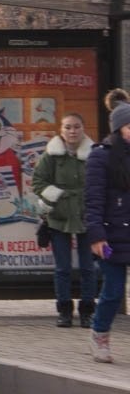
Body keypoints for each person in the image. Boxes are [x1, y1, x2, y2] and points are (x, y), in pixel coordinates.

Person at [32, 113, 96, 327]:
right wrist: (56, 196)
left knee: (89, 267)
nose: (72, 131)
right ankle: (64, 311)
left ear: (83, 129)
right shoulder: (51, 155)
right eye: (68, 127)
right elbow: (38, 181)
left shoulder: (94, 154)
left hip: (87, 215)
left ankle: (87, 311)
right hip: (58, 216)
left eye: (76, 127)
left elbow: (101, 182)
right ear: (61, 130)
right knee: (62, 268)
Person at [83, 89, 130, 363]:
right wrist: (97, 236)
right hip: (111, 237)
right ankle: (100, 334)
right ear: (118, 128)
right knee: (112, 290)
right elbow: (93, 199)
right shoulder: (101, 156)